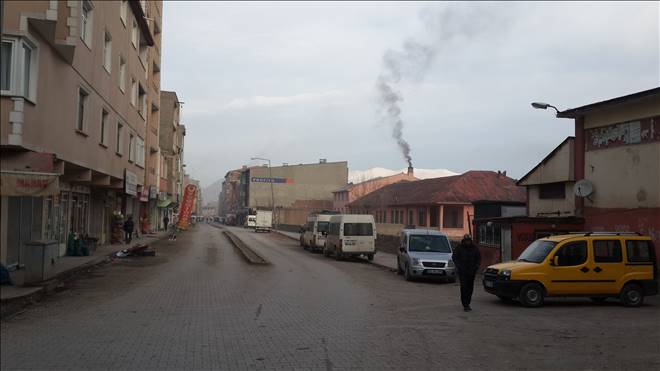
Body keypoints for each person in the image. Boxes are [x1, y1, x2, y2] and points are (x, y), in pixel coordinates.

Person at [452, 234, 481, 312]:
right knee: (464, 288)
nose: (467, 242)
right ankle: (465, 304)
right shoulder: (459, 248)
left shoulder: (475, 249)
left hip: (472, 272)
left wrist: (476, 267)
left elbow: (478, 258)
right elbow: (454, 257)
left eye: (469, 240)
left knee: (470, 288)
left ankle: (468, 302)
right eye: (466, 241)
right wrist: (459, 266)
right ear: (464, 241)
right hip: (463, 272)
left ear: (471, 241)